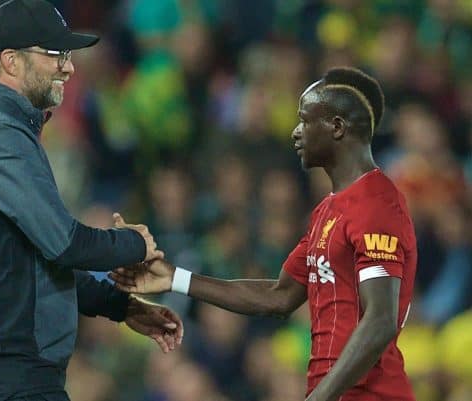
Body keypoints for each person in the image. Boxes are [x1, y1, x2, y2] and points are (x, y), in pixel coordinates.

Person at [111, 67, 417, 401]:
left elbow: (381, 320)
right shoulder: (327, 211)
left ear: (337, 127)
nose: (295, 133)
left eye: (304, 120)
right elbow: (278, 295)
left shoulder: (375, 204)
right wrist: (174, 278)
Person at [0, 1, 183, 401]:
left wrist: (122, 307)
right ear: (12, 61)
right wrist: (136, 243)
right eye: (55, 55)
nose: (68, 67)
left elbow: (37, 265)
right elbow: (65, 243)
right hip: (5, 378)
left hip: (7, 375)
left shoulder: (3, 132)